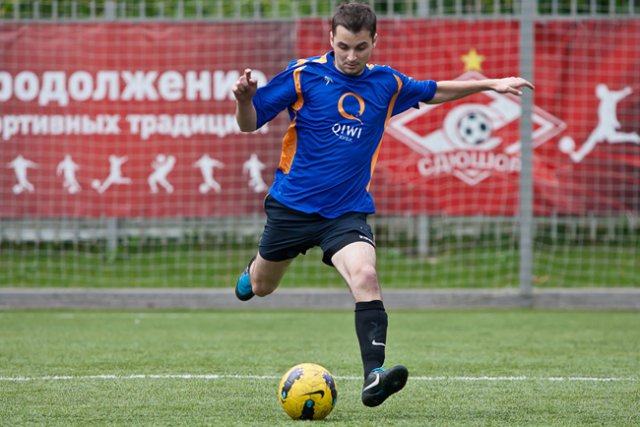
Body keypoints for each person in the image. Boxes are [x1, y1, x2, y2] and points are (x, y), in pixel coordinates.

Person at [232, 1, 534, 408]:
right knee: (262, 287)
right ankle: (254, 269)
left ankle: (373, 375)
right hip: (292, 208)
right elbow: (249, 123)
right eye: (343, 46)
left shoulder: (386, 83)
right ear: (331, 39)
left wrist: (490, 84)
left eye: (360, 47)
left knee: (366, 275)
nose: (351, 56)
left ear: (374, 41)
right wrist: (244, 100)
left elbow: (433, 90)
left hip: (346, 212)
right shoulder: (304, 75)